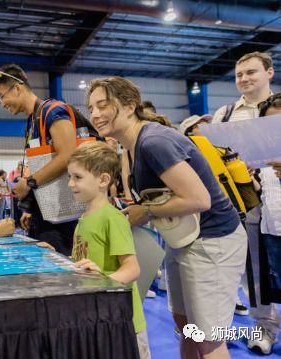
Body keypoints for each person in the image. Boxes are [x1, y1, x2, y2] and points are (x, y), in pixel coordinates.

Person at [87, 76, 247, 359]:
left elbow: (199, 200)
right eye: (91, 108)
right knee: (185, 326)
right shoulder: (132, 147)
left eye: (103, 105)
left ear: (129, 105)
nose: (96, 114)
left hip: (213, 241)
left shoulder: (154, 142)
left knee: (209, 339)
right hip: (184, 240)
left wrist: (145, 211)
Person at [212, 51, 279, 354]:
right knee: (252, 273)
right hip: (248, 203)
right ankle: (265, 328)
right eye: (239, 74)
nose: (244, 79)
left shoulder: (277, 110)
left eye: (251, 72)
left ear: (269, 73)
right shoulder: (226, 114)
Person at [68, 141, 149, 359]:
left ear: (103, 180)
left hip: (124, 322)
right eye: (70, 177)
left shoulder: (113, 219)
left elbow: (132, 269)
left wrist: (103, 281)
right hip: (99, 316)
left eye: (77, 177)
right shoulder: (84, 219)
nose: (70, 183)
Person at [0, 64, 78, 255]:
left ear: (17, 88)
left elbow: (68, 155)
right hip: (45, 215)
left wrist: (29, 183)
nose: (1, 103)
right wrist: (32, 208)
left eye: (1, 95)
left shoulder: (53, 111)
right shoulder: (33, 121)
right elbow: (44, 166)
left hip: (63, 219)